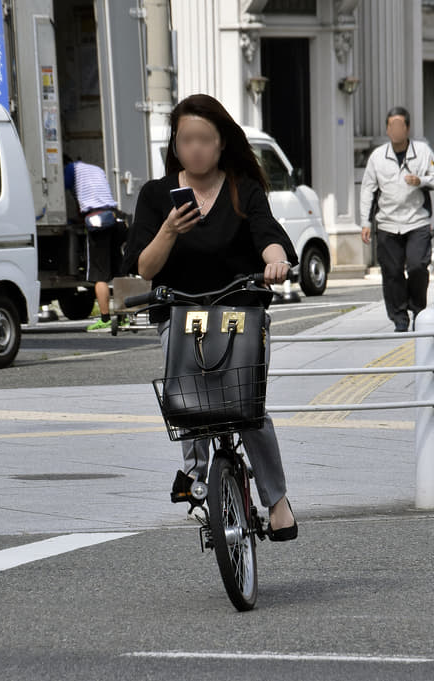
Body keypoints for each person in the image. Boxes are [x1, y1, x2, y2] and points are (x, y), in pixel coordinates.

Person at [121, 93, 299, 541]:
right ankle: (195, 474)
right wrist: (168, 230)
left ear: (222, 143)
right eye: (187, 140)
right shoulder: (158, 196)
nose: (196, 148)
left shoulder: (244, 189)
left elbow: (269, 236)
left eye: (205, 139)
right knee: (188, 398)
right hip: (180, 312)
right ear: (175, 145)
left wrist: (275, 261)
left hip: (240, 310)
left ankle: (276, 500)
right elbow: (144, 266)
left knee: (246, 405)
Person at [359, 106, 434, 331]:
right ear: (388, 129)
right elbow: (368, 189)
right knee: (392, 272)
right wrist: (365, 222)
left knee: (418, 266)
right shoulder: (378, 157)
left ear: (407, 128)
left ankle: (418, 310)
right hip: (388, 223)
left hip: (417, 220)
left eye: (400, 125)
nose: (395, 130)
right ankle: (399, 317)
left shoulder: (422, 151)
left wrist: (422, 181)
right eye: (391, 126)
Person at [64, 159, 126, 331]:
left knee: (100, 275)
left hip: (98, 222)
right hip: (116, 218)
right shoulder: (96, 168)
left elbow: (63, 193)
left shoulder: (70, 169)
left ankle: (105, 319)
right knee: (119, 273)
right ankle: (123, 318)